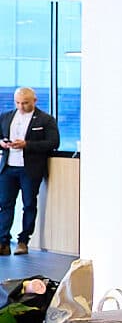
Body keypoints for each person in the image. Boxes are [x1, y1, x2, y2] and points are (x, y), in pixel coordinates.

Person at [0, 87, 58, 257]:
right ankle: (3, 241)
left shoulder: (45, 120)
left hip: (30, 169)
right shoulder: (6, 117)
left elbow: (53, 142)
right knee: (5, 205)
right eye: (18, 102)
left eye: (25, 103)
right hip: (8, 167)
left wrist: (27, 144)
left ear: (34, 100)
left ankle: (23, 240)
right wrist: (3, 143)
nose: (21, 106)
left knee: (29, 204)